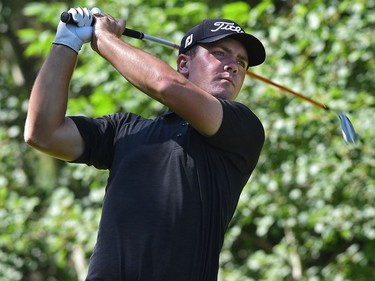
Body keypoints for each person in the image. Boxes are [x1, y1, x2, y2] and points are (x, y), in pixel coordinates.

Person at [24, 7, 266, 281]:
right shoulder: (123, 130)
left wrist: (104, 39)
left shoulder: (243, 127)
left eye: (242, 62)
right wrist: (67, 42)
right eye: (219, 53)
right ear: (184, 64)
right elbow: (42, 133)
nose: (233, 65)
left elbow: (165, 85)